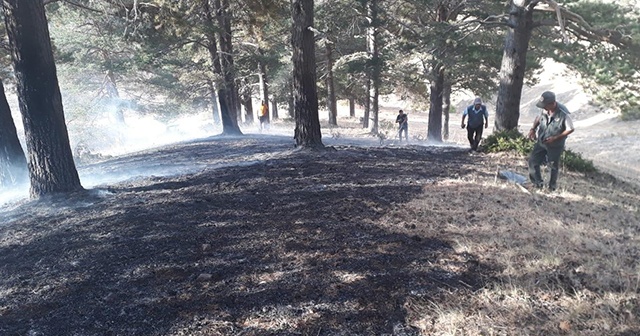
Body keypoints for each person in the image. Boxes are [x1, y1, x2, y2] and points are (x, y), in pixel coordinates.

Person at [527, 91, 575, 191]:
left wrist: (556, 138)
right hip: (542, 141)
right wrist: (533, 129)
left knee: (552, 166)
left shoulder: (564, 113)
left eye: (545, 106)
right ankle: (537, 183)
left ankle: (551, 187)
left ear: (552, 103)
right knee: (533, 161)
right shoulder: (545, 110)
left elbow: (570, 129)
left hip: (555, 145)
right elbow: (538, 118)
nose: (543, 108)